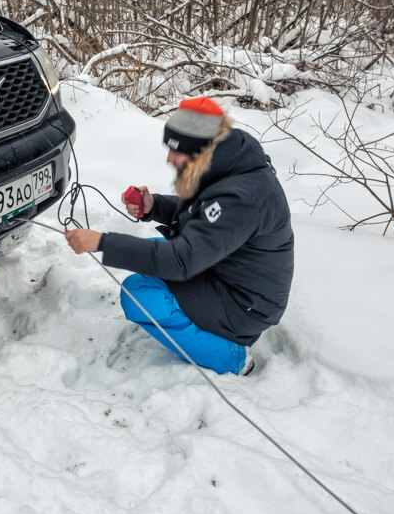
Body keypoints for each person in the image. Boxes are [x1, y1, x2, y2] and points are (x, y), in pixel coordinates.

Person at [65, 97, 294, 375]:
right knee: (155, 250)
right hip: (228, 277)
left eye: (176, 150)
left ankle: (230, 357)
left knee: (138, 295)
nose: (169, 158)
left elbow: (181, 260)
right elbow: (205, 213)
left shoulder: (241, 197)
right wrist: (154, 206)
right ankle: (204, 324)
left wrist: (101, 242)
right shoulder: (228, 163)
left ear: (201, 150)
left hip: (244, 306)